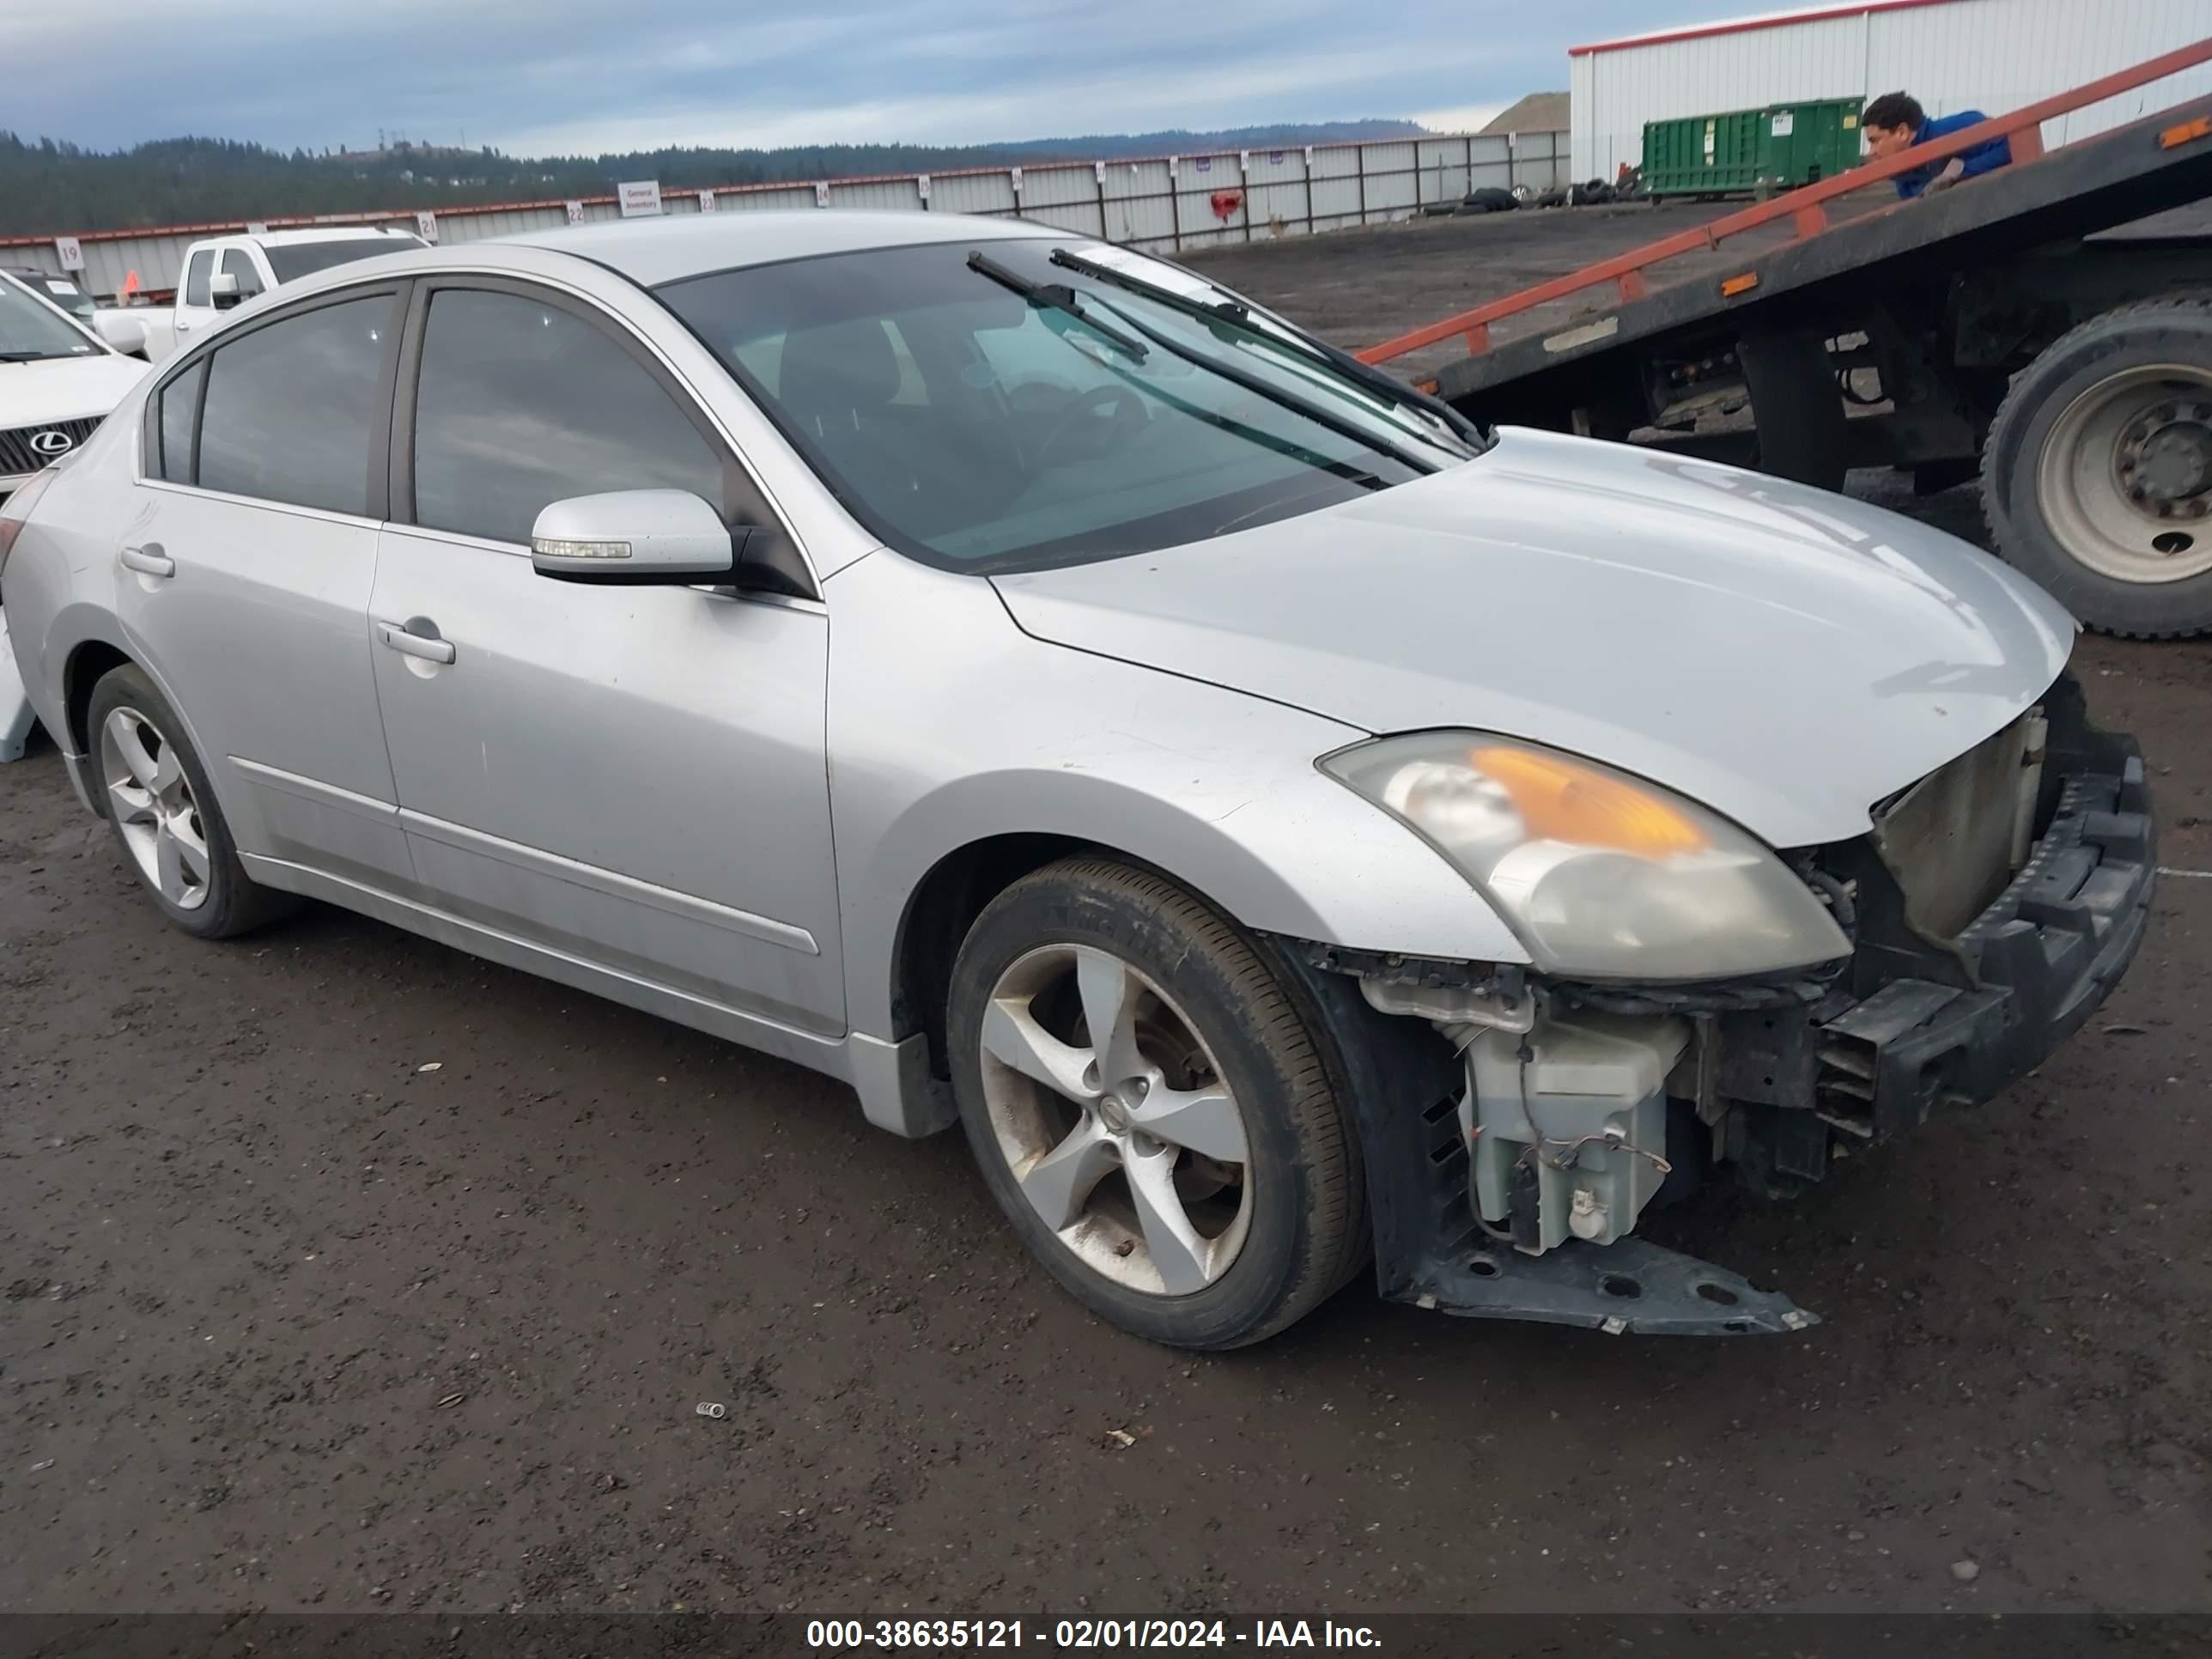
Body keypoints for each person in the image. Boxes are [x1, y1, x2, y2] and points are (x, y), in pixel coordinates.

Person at [1861, 91, 2013, 199]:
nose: (1871, 152)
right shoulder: (1904, 179)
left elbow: (2011, 146)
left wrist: (1958, 172)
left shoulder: (1957, 128)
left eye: (1875, 141)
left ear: (1902, 132)